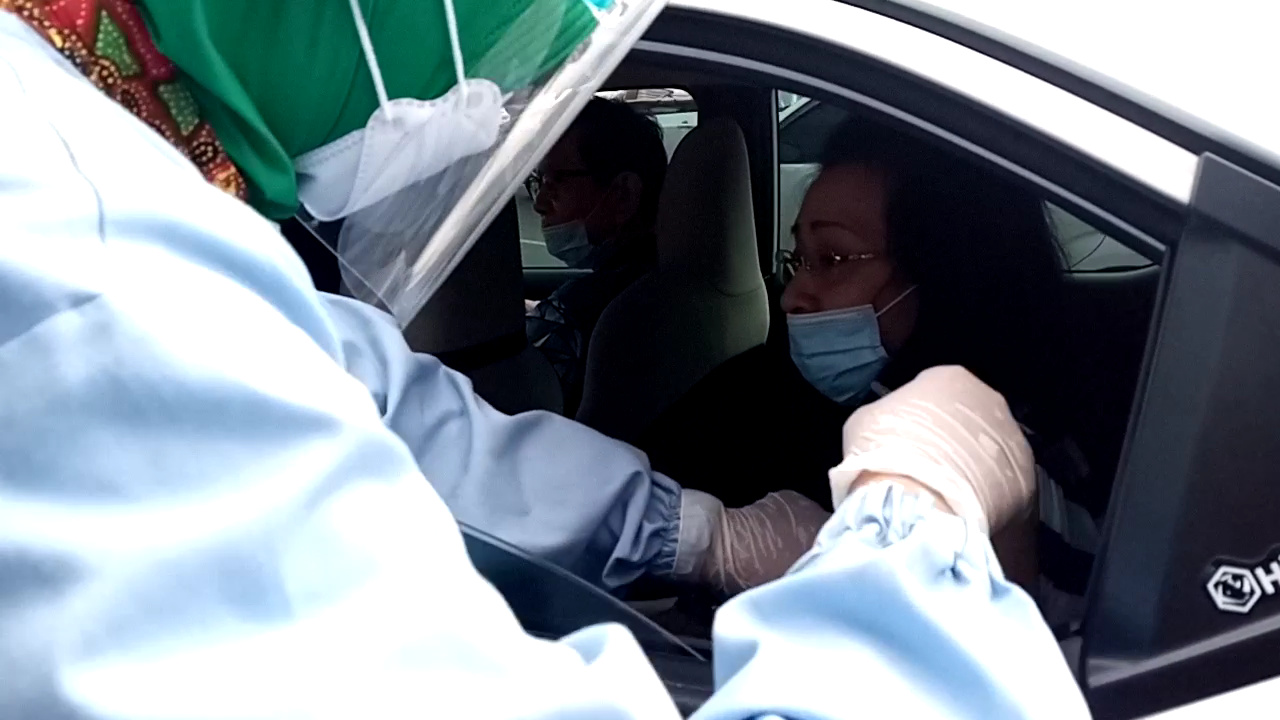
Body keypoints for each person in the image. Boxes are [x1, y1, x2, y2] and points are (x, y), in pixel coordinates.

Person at [0, 1, 1090, 717]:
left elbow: (367, 396)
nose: (475, 111)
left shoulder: (103, 187)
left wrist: (695, 533)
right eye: (487, 62)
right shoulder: (79, 262)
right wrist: (914, 528)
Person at [640, 117, 1102, 628]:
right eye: (799, 260)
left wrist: (711, 543)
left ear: (945, 270)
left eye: (833, 258)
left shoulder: (1007, 458)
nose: (793, 296)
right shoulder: (770, 392)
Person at [525, 96, 668, 412]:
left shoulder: (578, 314)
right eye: (538, 182)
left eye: (556, 181)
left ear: (623, 195)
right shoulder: (667, 284)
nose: (539, 203)